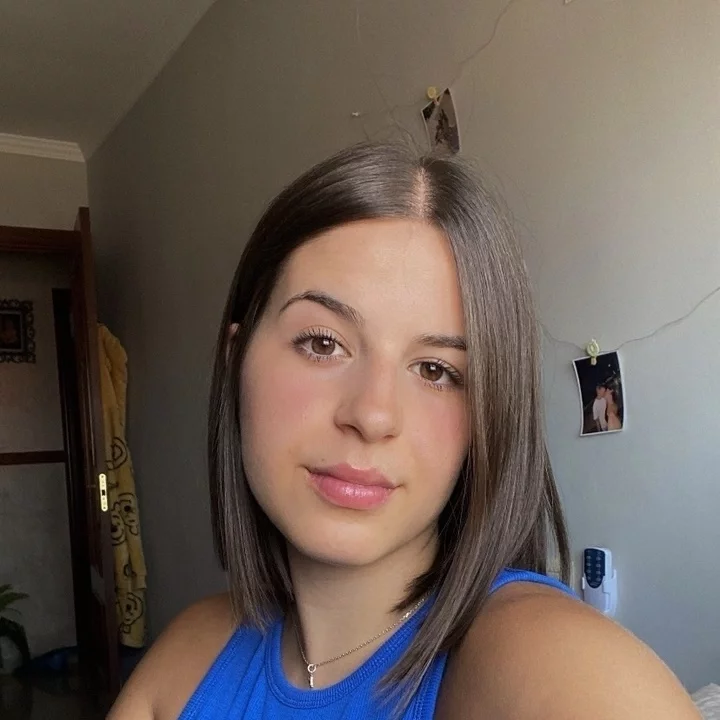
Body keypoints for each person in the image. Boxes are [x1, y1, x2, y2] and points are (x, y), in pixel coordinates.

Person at [108, 143, 697, 719]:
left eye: (437, 371)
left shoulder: (550, 659)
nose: (372, 415)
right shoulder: (186, 662)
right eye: (322, 343)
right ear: (236, 360)